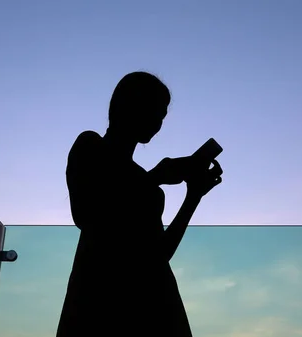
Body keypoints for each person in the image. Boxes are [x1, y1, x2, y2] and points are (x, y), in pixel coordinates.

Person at [57, 71, 223, 337]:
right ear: (129, 106)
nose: (158, 122)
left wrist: (193, 196)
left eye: (162, 116)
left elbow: (158, 255)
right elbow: (89, 215)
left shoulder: (143, 181)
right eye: (155, 111)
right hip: (104, 300)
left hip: (155, 302)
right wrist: (155, 177)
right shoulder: (90, 145)